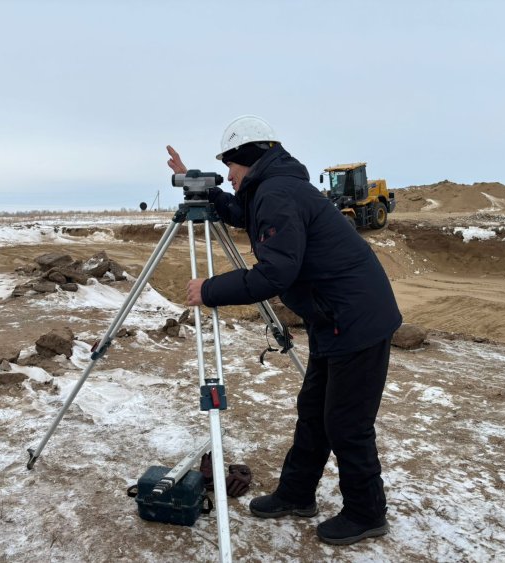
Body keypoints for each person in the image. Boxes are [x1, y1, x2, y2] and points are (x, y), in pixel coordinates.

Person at [166, 115, 402, 546]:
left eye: (230, 168)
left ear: (246, 159)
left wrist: (210, 289)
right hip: (333, 319)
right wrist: (196, 185)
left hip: (357, 320)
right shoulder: (270, 189)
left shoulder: (277, 193)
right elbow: (240, 212)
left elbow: (275, 273)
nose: (229, 176)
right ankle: (297, 494)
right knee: (314, 413)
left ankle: (367, 513)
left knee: (346, 424)